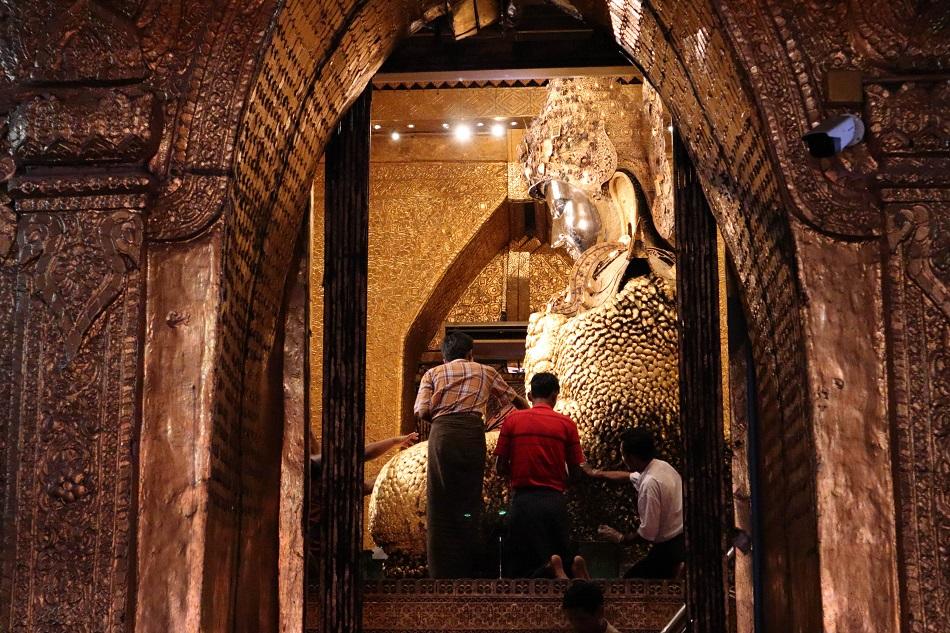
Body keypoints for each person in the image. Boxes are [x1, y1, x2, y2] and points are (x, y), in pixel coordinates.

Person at [414, 331, 529, 578]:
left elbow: (422, 412)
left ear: (444, 357)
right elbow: (514, 400)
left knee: (440, 503)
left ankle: (441, 573)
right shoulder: (485, 371)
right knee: (469, 501)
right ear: (470, 353)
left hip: (442, 436)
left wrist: (444, 417)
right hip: (471, 435)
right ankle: (470, 570)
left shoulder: (432, 374)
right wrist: (531, 413)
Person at [494, 372, 594, 577]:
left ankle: (548, 569)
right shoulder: (567, 424)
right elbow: (576, 470)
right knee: (558, 549)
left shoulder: (512, 420)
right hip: (554, 499)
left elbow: (500, 466)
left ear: (530, 396)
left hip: (523, 501)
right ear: (555, 395)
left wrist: (517, 473)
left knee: (521, 564)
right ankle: (568, 568)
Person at [594, 427, 684, 579]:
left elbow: (647, 534)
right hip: (681, 542)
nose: (622, 459)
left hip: (669, 550)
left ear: (632, 457)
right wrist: (597, 474)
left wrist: (620, 537)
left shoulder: (649, 484)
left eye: (623, 454)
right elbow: (629, 477)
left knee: (630, 582)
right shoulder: (662, 467)